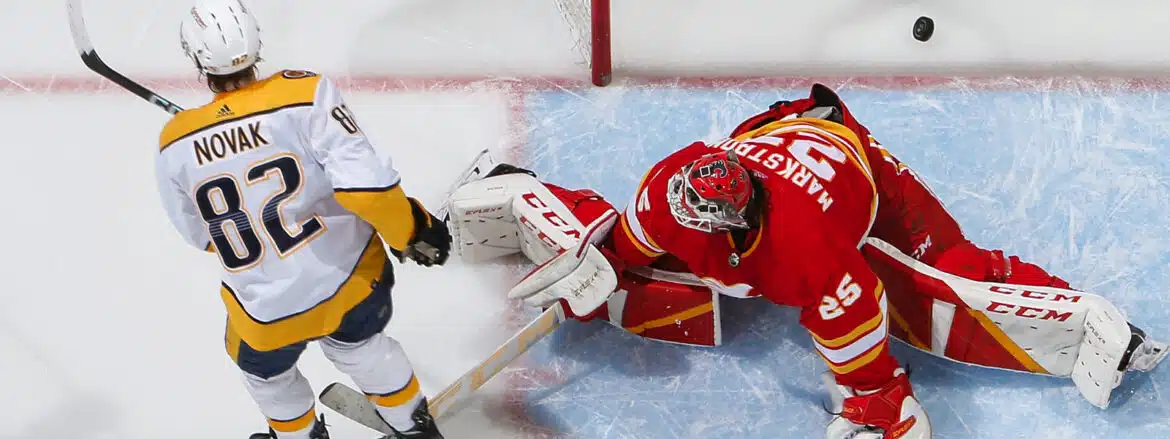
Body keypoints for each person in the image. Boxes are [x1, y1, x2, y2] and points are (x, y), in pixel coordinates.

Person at [445, 84, 1166, 439]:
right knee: (631, 265)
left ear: (740, 215)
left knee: (948, 270)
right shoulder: (676, 183)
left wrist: (876, 400)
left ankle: (1096, 328)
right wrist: (601, 266)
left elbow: (856, 322)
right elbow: (638, 236)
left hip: (867, 180)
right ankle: (516, 186)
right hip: (777, 126)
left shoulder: (809, 250)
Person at [154, 1, 449, 438]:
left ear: (196, 59)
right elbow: (367, 190)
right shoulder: (304, 93)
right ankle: (412, 425)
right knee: (364, 348)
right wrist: (413, 229)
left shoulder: (174, 143)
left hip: (267, 312)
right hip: (349, 286)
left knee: (265, 376)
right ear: (256, 42)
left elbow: (200, 236)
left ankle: (298, 436)